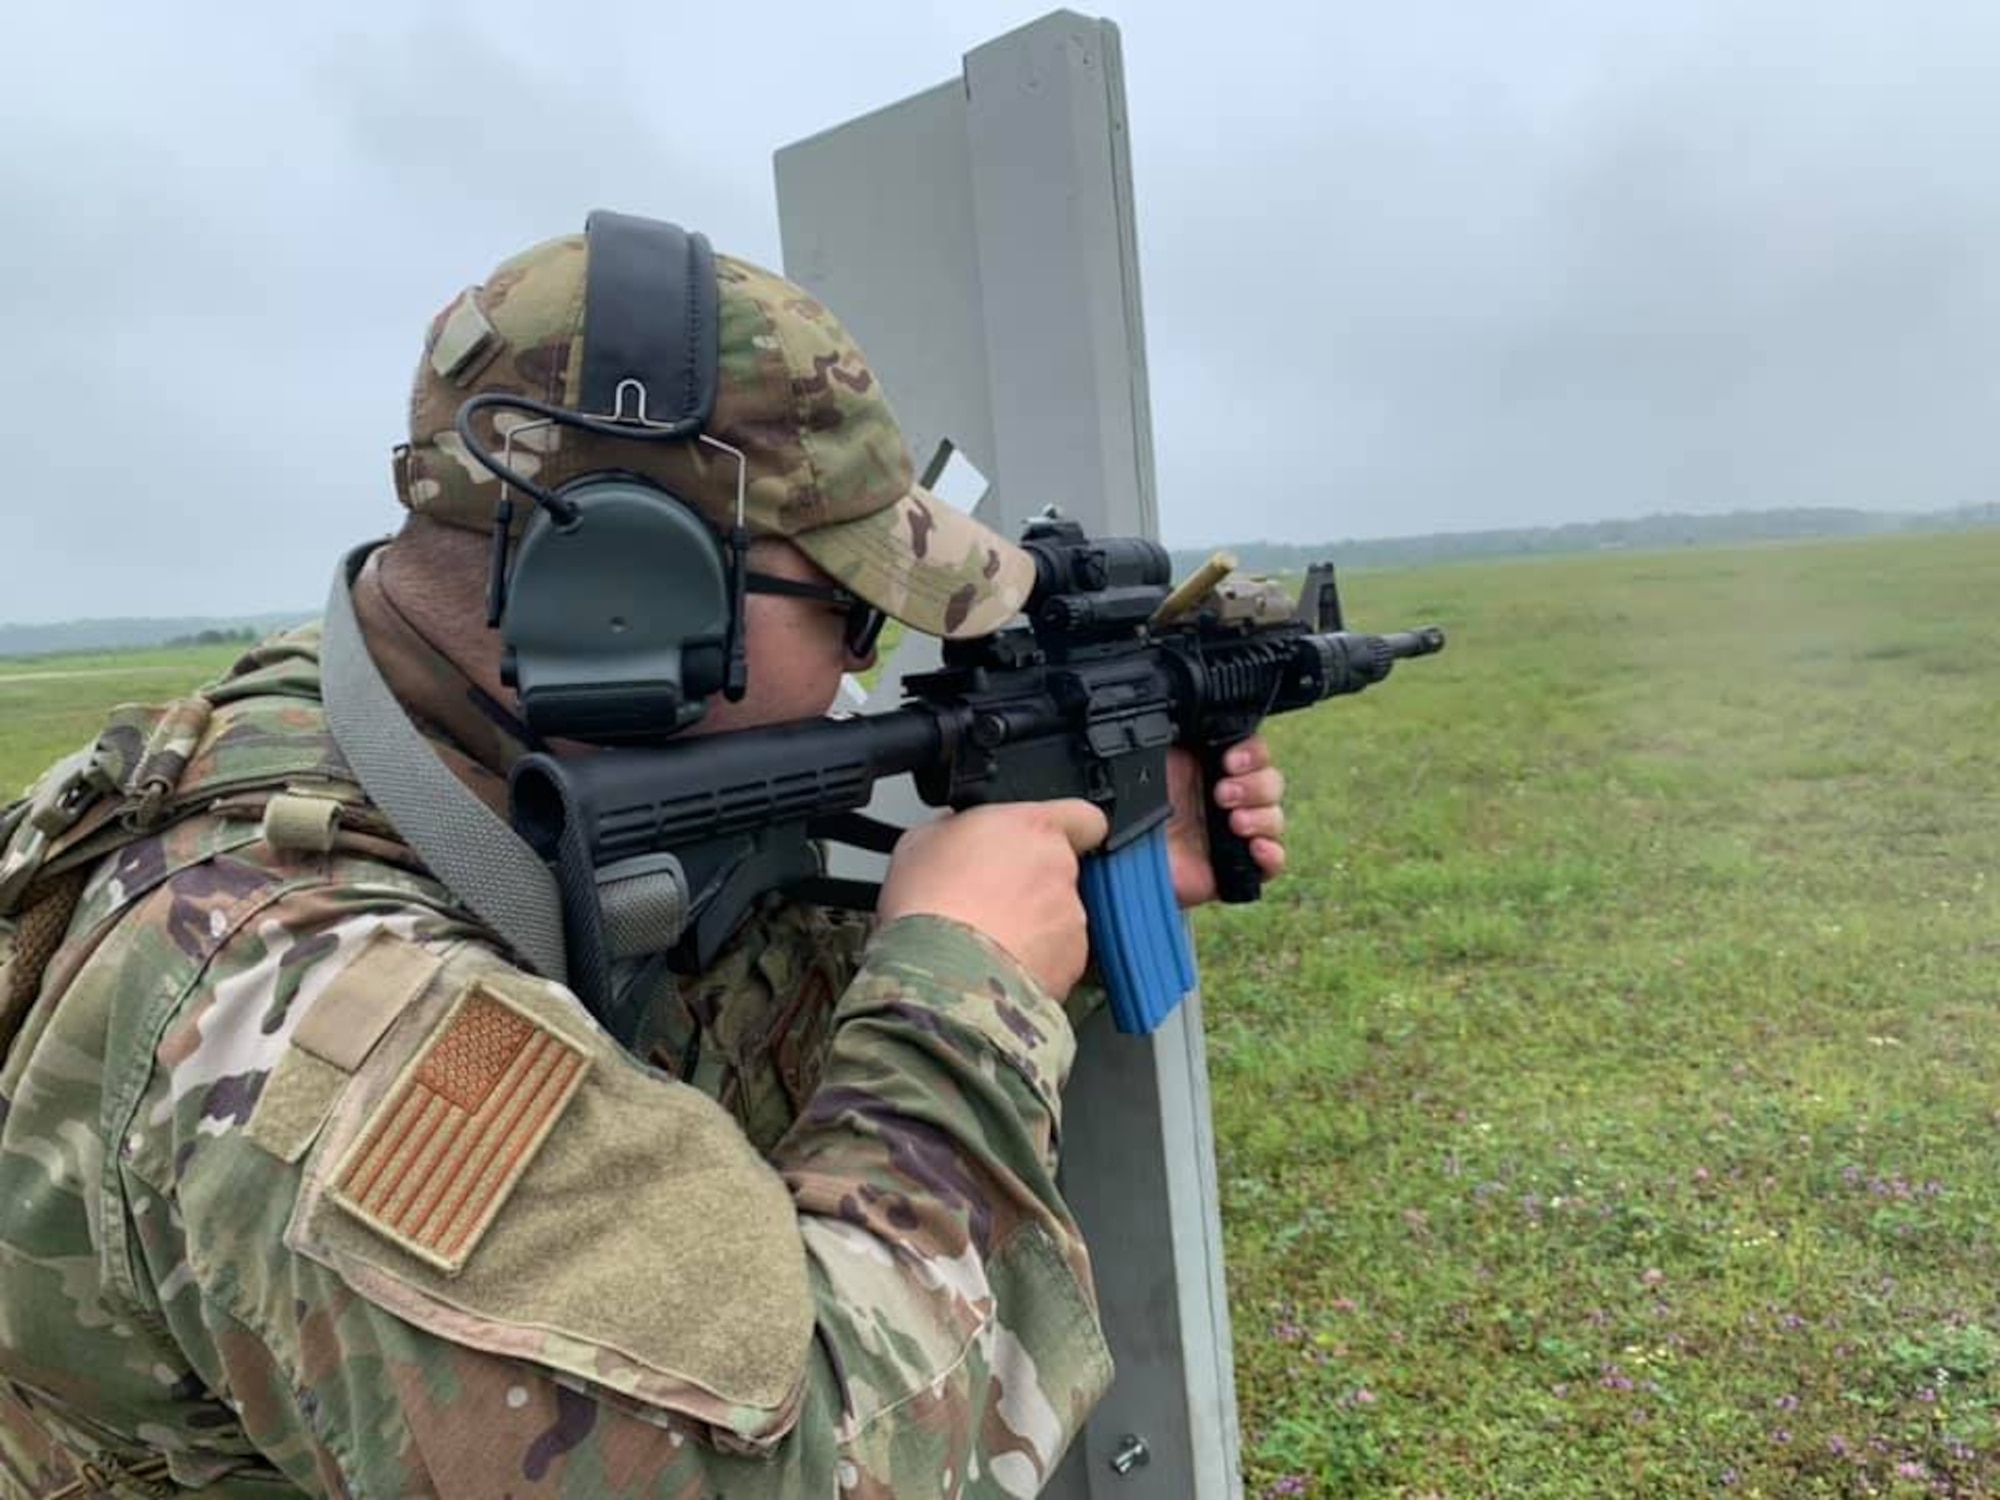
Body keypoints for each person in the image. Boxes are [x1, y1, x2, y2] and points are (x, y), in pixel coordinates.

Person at [0, 220, 1288, 1497]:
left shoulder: (378, 716)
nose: (861, 665)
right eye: (846, 607)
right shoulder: (317, 1018)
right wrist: (965, 995)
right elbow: (807, 1464)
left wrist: (1077, 879)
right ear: (629, 593)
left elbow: (634, 1016)